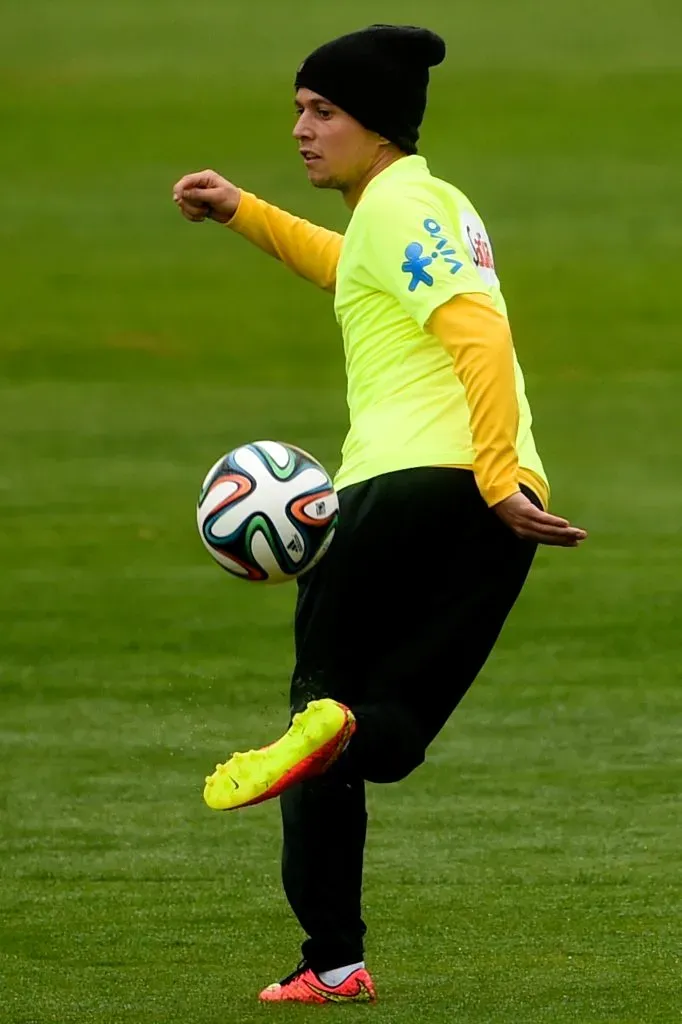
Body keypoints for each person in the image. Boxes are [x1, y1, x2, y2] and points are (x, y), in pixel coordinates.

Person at [173, 23, 587, 1006]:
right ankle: (343, 728)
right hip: (498, 499)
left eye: (322, 113)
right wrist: (245, 211)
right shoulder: (424, 207)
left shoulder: (400, 206)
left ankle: (331, 960)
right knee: (381, 732)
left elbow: (476, 331)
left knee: (311, 716)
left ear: (375, 127)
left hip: (398, 486)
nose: (300, 130)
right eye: (300, 110)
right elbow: (352, 269)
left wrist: (484, 470)